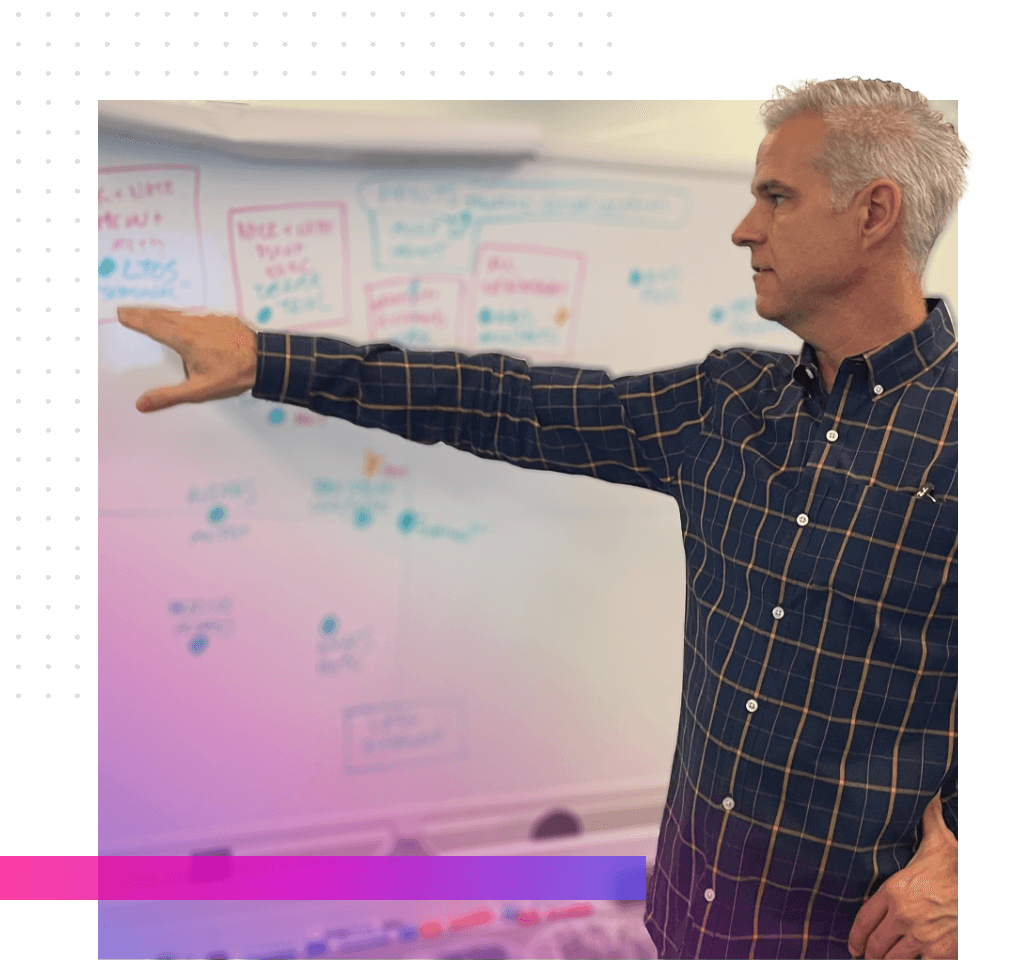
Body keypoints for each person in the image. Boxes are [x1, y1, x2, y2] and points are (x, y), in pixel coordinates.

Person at [115, 82, 965, 960]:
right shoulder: (728, 407)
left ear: (873, 213)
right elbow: (505, 404)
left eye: (774, 197)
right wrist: (266, 359)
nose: (745, 228)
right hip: (689, 923)